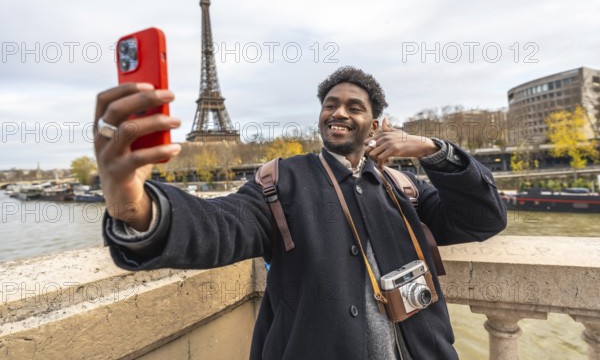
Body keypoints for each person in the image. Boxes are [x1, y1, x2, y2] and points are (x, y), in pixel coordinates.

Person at [95, 66, 506, 360]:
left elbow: (484, 217)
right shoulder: (281, 181)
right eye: (331, 104)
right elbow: (219, 226)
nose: (339, 112)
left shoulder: (404, 188)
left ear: (376, 124)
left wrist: (438, 152)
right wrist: (130, 199)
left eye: (354, 107)